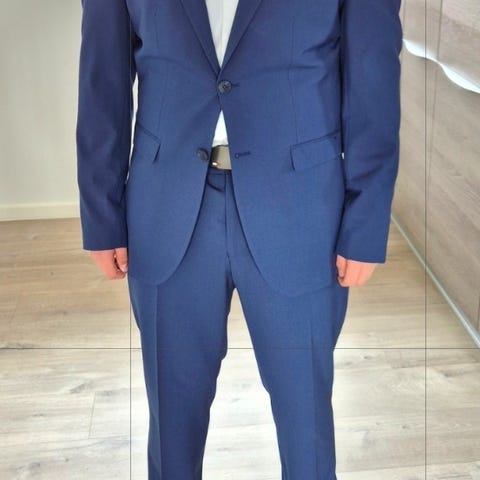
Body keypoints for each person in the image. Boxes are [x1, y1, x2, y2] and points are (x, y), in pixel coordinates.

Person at [76, 1, 402, 478]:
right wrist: (101, 213)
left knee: (306, 425)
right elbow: (102, 74)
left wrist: (366, 220)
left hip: (301, 209)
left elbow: (373, 76)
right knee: (171, 427)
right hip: (167, 207)